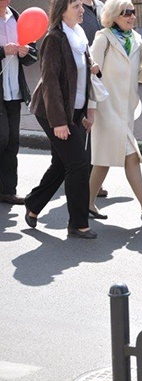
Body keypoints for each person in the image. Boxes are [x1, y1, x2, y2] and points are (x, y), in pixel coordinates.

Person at [24, 0, 100, 239]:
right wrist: (59, 122)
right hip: (52, 112)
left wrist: (88, 110)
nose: (81, 10)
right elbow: (50, 83)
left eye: (81, 5)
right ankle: (78, 224)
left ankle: (34, 203)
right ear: (61, 10)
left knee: (62, 164)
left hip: (74, 111)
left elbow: (83, 78)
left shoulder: (78, 36)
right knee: (79, 163)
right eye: (75, 6)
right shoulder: (54, 39)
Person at [87, 0, 142, 225]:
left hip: (127, 109)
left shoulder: (137, 40)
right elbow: (92, 75)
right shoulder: (103, 38)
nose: (131, 16)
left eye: (132, 12)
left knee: (103, 160)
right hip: (105, 108)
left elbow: (138, 75)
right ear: (113, 16)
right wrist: (91, 109)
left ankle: (87, 202)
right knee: (131, 155)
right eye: (125, 13)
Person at [0, 0, 38, 206]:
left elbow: (33, 52)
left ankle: (8, 191)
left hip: (13, 90)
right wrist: (2, 51)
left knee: (13, 140)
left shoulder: (17, 17)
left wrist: (26, 52)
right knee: (2, 137)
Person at [79, 0, 109, 199]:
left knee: (92, 134)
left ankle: (90, 182)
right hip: (82, 76)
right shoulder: (74, 8)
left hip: (97, 74)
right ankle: (84, 182)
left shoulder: (99, 6)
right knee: (84, 132)